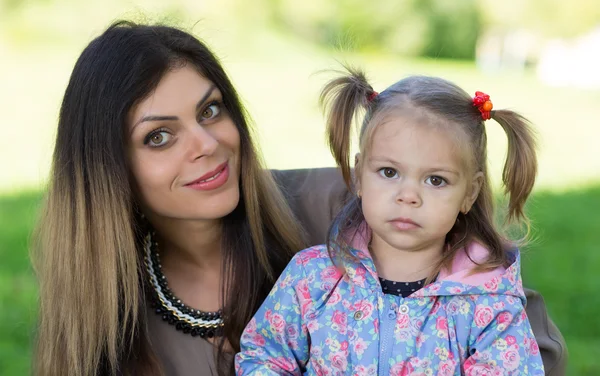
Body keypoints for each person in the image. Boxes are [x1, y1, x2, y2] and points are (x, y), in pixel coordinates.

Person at [31, 22, 566, 376]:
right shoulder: (106, 308)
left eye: (211, 110)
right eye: (159, 136)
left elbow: (525, 336)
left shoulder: (351, 208)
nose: (207, 145)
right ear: (107, 170)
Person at [236, 68, 550, 374]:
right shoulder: (313, 278)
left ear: (470, 192)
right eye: (389, 172)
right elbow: (264, 357)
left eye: (436, 180)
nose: (408, 195)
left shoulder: (487, 301)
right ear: (359, 175)